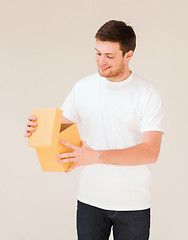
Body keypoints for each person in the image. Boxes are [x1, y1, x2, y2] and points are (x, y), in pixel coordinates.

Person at [25, 20, 164, 240]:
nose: (101, 61)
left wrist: (95, 156)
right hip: (90, 202)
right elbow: (59, 130)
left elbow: (150, 152)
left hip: (133, 204)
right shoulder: (83, 87)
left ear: (128, 55)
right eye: (98, 53)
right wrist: (39, 127)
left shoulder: (147, 94)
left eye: (109, 56)